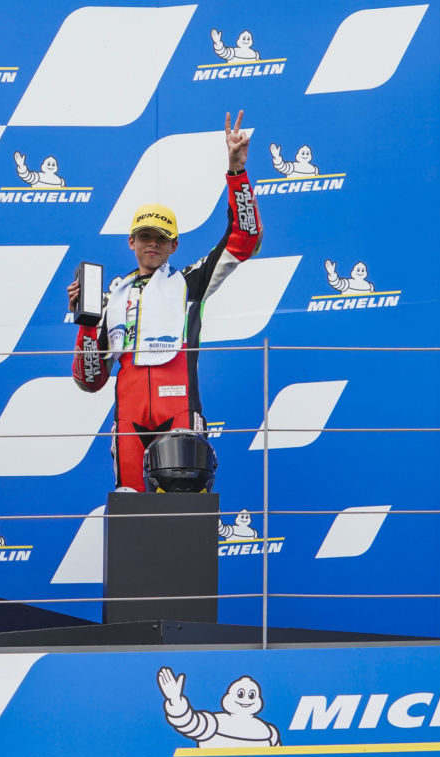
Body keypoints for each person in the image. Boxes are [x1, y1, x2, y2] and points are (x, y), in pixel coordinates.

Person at [70, 112, 260, 491]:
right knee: (130, 516)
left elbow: (244, 239)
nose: (151, 244)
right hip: (127, 420)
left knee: (184, 515)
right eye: (144, 236)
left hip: (180, 414)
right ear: (131, 242)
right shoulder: (111, 298)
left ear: (174, 245)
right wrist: (87, 324)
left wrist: (236, 172)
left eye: (160, 237)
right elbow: (90, 381)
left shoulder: (190, 283)